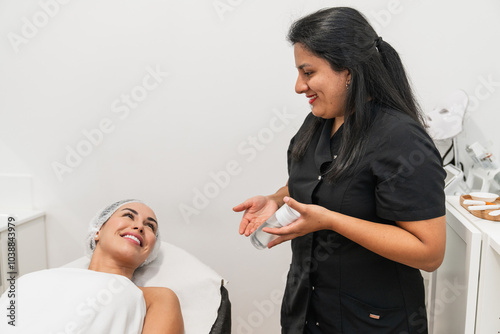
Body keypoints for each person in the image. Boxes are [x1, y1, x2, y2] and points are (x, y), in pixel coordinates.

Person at [234, 7, 446, 334]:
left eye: (308, 72)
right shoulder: (318, 122)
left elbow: (430, 253)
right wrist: (275, 199)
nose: (298, 86)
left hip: (372, 322)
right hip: (307, 312)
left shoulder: (401, 139)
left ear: (347, 70)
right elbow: (311, 184)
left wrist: (331, 220)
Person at [0, 199, 184, 334]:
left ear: (150, 252)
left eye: (150, 226)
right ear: (98, 230)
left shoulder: (155, 298)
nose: (139, 227)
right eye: (128, 215)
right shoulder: (32, 279)